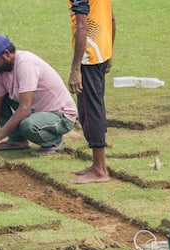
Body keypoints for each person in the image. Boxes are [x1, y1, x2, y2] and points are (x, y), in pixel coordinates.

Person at [0, 34, 78, 162]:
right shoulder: (0, 71)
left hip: (59, 115)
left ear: (7, 54)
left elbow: (24, 109)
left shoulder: (26, 64)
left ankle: (54, 142)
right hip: (35, 109)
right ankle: (17, 140)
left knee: (28, 125)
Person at [68, 0, 116, 184]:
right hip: (102, 49)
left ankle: (99, 169)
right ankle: (97, 164)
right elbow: (111, 18)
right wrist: (109, 52)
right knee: (96, 106)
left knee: (90, 111)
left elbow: (82, 27)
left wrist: (75, 69)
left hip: (89, 55)